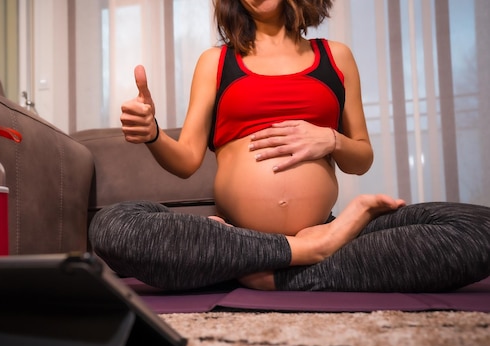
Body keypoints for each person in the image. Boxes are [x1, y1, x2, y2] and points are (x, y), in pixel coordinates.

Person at [89, 0, 490, 292]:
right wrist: (154, 134)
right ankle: (301, 255)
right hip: (237, 235)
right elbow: (187, 161)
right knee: (112, 227)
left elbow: (361, 159)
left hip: (327, 233)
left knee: (479, 229)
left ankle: (270, 269)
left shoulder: (336, 57)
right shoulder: (216, 61)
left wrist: (330, 139)